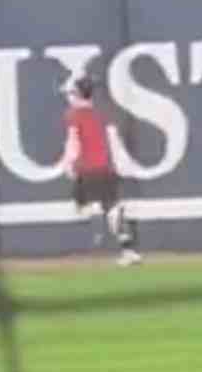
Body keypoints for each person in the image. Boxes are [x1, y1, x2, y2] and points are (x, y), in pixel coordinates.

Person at [58, 74, 141, 267]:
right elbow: (114, 141)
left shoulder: (73, 115)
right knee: (112, 208)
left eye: (70, 94)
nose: (68, 98)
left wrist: (68, 163)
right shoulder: (102, 115)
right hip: (106, 170)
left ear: (77, 95)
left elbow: (73, 142)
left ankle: (95, 211)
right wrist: (121, 164)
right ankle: (128, 250)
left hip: (87, 169)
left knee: (82, 203)